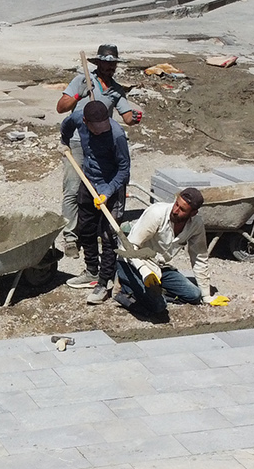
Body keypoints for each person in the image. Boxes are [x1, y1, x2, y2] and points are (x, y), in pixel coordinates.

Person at [55, 45, 141, 252]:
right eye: (107, 63)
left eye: (113, 64)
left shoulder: (116, 90)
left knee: (99, 187)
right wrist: (79, 95)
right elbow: (61, 108)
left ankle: (95, 231)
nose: (110, 67)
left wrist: (135, 118)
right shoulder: (82, 80)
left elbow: (127, 117)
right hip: (77, 141)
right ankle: (70, 236)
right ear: (99, 63)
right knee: (74, 188)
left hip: (100, 144)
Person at [61, 99, 131, 305]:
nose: (101, 132)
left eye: (104, 129)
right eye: (96, 130)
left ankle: (104, 282)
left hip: (111, 187)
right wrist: (64, 142)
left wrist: (107, 192)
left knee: (109, 236)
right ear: (86, 122)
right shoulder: (78, 118)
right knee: (86, 229)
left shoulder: (117, 135)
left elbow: (124, 169)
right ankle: (91, 271)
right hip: (88, 180)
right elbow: (66, 125)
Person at [116, 187, 212, 319]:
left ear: (193, 213)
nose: (176, 210)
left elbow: (199, 257)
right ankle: (126, 290)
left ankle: (152, 293)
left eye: (182, 209)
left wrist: (206, 296)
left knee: (194, 295)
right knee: (158, 306)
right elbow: (130, 247)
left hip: (159, 266)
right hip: (131, 263)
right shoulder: (157, 214)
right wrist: (145, 272)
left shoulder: (196, 224)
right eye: (176, 204)